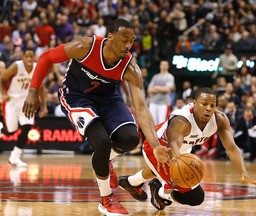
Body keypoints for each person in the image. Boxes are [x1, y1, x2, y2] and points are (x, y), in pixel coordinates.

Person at [22, 19, 170, 216]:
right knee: (102, 142)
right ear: (110, 37)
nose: (128, 45)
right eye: (124, 39)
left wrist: (156, 144)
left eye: (131, 41)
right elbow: (46, 57)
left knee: (131, 138)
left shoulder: (130, 68)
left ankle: (104, 159)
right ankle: (106, 199)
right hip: (76, 97)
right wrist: (33, 91)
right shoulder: (85, 47)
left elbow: (141, 108)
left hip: (108, 99)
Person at [118, 87, 256, 211]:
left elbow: (231, 148)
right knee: (195, 197)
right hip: (159, 146)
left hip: (184, 148)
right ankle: (162, 192)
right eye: (204, 104)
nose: (208, 108)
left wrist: (243, 172)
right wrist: (174, 174)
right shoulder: (182, 121)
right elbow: (173, 145)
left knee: (165, 174)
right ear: (194, 103)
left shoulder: (220, 119)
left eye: (212, 105)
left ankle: (132, 182)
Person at [0, 48, 47, 167]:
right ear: (23, 57)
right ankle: (1, 129)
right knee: (11, 131)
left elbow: (41, 89)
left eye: (32, 56)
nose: (29, 59)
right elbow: (2, 79)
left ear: (35, 57)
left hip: (27, 101)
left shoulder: (38, 68)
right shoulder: (16, 66)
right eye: (27, 56)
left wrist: (44, 107)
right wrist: (3, 93)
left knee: (27, 126)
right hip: (12, 100)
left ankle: (15, 156)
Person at [148, 60, 175, 125]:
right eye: (162, 64)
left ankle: (160, 135)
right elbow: (149, 90)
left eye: (165, 65)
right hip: (153, 102)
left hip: (163, 103)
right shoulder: (155, 76)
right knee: (152, 123)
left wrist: (156, 87)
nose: (163, 66)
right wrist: (161, 88)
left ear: (168, 66)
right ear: (160, 66)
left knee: (162, 123)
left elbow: (167, 89)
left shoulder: (170, 76)